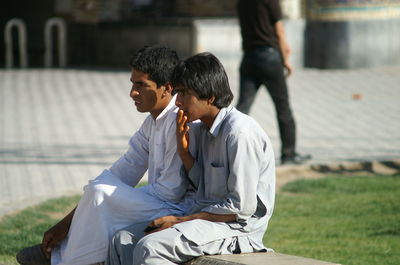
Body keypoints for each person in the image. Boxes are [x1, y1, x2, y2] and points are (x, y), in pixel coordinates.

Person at [16, 45, 195, 265]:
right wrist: (65, 223)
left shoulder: (180, 120)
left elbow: (171, 192)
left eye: (141, 85)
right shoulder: (152, 122)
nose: (133, 93)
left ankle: (60, 258)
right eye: (132, 83)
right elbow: (122, 172)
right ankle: (63, 255)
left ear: (166, 88)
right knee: (99, 188)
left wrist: (110, 197)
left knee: (102, 192)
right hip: (158, 200)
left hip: (179, 209)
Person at [106, 52, 276, 265]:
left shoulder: (239, 133)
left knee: (151, 248)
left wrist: (179, 220)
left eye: (184, 93)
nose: (177, 102)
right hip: (205, 218)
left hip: (238, 229)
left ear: (210, 97)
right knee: (121, 240)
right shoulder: (201, 128)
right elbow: (202, 185)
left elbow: (240, 209)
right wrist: (184, 152)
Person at [236, 0, 310, 165]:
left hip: (248, 58)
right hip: (269, 57)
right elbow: (280, 31)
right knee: (282, 106)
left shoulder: (241, 2)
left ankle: (228, 150)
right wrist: (285, 59)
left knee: (241, 109)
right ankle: (289, 154)